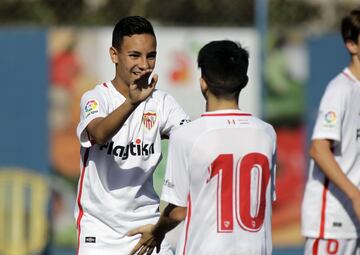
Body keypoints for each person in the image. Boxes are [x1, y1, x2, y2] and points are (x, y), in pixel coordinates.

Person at [128, 40, 277, 255]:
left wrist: (157, 232)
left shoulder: (187, 135)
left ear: (202, 83)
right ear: (244, 81)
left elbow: (177, 212)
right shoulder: (267, 133)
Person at [74, 16, 189, 255]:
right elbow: (100, 134)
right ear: (114, 55)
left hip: (147, 228)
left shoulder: (163, 102)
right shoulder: (96, 98)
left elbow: (191, 140)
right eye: (134, 55)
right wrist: (133, 103)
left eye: (151, 56)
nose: (144, 64)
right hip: (100, 232)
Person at [301, 9, 360, 255]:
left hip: (354, 222)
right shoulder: (340, 89)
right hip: (332, 222)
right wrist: (355, 195)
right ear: (351, 44)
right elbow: (318, 148)